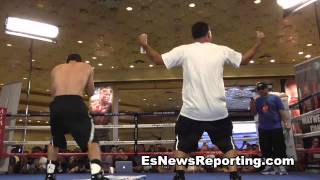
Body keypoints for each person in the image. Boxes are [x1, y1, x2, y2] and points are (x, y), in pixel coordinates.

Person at [138, 21, 265, 180]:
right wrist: (259, 43)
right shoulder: (221, 50)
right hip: (217, 111)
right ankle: (234, 174)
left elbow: (158, 60)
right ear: (209, 34)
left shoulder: (184, 50)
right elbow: (244, 60)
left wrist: (144, 44)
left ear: (193, 35)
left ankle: (179, 174)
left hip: (192, 111)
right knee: (227, 143)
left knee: (182, 143)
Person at [46, 54, 107, 180]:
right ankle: (96, 175)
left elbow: (53, 91)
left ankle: (50, 174)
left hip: (57, 105)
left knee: (54, 141)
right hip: (75, 103)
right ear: (80, 61)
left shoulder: (56, 68)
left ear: (67, 61)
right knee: (92, 141)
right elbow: (90, 92)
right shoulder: (87, 67)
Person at [250, 82, 290, 175]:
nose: (261, 90)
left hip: (276, 127)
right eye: (259, 89)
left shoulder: (275, 98)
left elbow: (282, 111)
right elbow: (254, 113)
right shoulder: (257, 100)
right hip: (263, 128)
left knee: (279, 147)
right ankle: (269, 166)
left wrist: (286, 123)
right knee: (265, 148)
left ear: (267, 88)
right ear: (258, 90)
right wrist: (252, 103)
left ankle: (281, 166)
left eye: (263, 88)